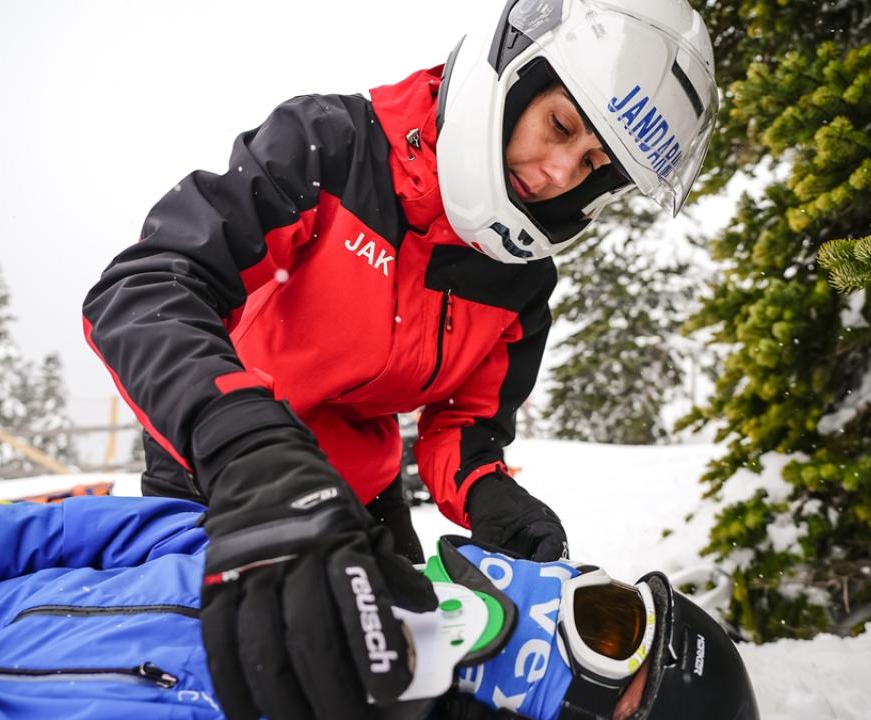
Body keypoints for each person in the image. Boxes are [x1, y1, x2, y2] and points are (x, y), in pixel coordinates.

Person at [79, 0, 718, 717]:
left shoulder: (520, 277)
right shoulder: (331, 148)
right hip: (228, 476)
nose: (558, 172)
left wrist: (487, 492)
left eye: (594, 165)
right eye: (561, 126)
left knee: (399, 693)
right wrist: (244, 445)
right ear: (512, 74)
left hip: (364, 500)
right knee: (220, 687)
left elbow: (467, 423)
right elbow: (149, 286)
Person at [0, 497, 759, 720]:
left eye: (605, 642)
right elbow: (55, 537)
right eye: (601, 599)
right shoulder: (302, 540)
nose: (563, 606)